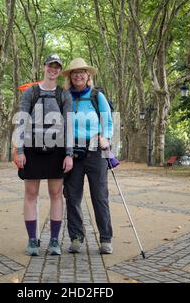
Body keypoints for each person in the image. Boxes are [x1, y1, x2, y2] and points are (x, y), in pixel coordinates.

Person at [15, 54, 74, 256]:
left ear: (59, 70)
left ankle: (55, 240)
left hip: (56, 150)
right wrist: (20, 150)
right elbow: (22, 120)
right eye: (50, 65)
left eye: (57, 67)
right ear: (44, 67)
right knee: (31, 194)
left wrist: (69, 154)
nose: (53, 69)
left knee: (56, 194)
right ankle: (33, 240)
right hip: (32, 149)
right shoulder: (30, 92)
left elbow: (69, 126)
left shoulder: (63, 95)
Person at [62, 57, 114, 254]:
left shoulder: (96, 96)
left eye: (82, 72)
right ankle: (76, 238)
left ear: (88, 75)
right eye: (75, 72)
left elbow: (108, 122)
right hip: (72, 152)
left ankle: (106, 239)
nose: (78, 75)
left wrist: (106, 138)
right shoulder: (65, 97)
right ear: (70, 77)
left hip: (96, 151)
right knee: (72, 197)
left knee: (99, 196)